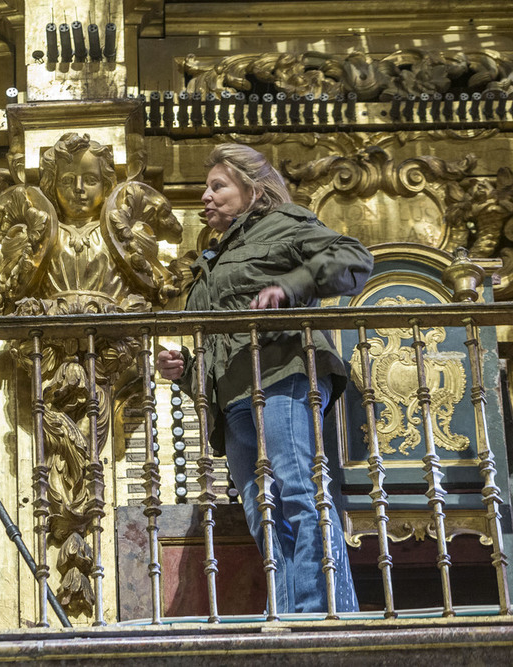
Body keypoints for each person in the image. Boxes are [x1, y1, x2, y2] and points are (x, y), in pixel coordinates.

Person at [157, 144, 373, 615]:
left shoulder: (284, 223)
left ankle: (321, 613)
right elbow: (220, 343)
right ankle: (290, 611)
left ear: (253, 189)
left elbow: (354, 258)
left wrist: (289, 287)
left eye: (218, 186)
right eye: (204, 189)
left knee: (299, 491)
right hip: (232, 400)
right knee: (263, 512)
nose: (205, 198)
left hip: (281, 375)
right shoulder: (212, 258)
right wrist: (185, 371)